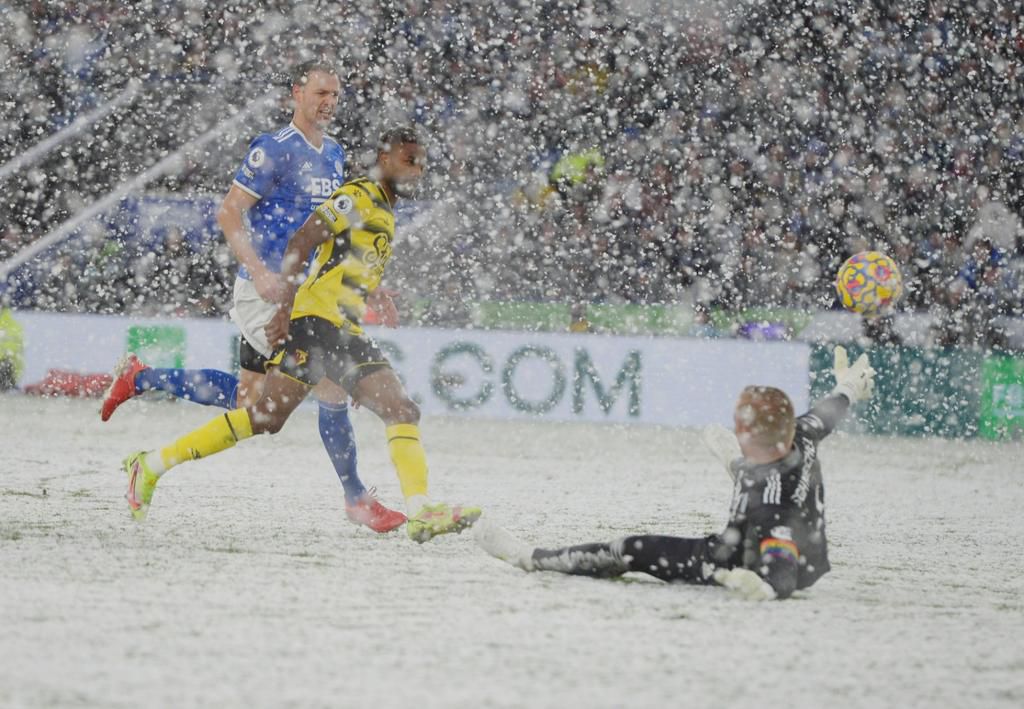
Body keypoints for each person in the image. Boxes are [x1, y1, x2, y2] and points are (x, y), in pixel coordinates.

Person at [119, 127, 482, 543]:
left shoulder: (382, 206)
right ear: (385, 159)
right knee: (385, 410)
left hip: (336, 328)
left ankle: (151, 465)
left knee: (272, 417)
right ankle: (412, 508)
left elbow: (344, 261)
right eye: (408, 160)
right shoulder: (359, 195)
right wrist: (287, 309)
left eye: (419, 162)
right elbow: (303, 239)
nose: (417, 170)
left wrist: (372, 292)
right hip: (317, 326)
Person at [99, 60, 405, 533]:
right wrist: (261, 272)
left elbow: (334, 228)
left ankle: (142, 380)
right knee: (326, 388)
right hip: (266, 291)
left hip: (304, 291)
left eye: (335, 96)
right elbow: (228, 213)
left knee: (252, 404)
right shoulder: (273, 150)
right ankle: (356, 497)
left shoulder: (336, 154)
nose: (329, 103)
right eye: (321, 93)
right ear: (296, 93)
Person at [475, 346, 876, 600]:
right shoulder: (800, 432)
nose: (738, 426)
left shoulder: (769, 493)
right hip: (781, 545)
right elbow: (828, 413)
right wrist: (847, 388)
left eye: (744, 427)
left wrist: (765, 587)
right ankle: (733, 467)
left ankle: (530, 558)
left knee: (632, 549)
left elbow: (781, 557)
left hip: (741, 561)